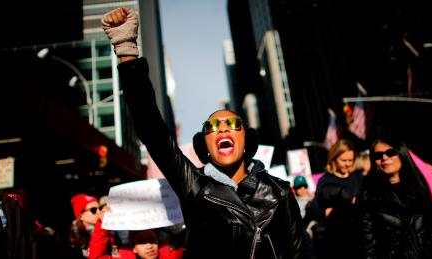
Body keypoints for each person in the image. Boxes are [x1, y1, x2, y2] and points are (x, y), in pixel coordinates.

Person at [101, 7, 304, 259]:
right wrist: (126, 48)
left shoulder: (279, 191)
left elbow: (298, 253)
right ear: (206, 145)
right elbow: (151, 128)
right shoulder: (194, 185)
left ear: (245, 141)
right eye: (212, 128)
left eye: (232, 125)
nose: (223, 130)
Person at [356, 139, 432, 259]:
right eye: (378, 155)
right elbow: (368, 244)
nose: (384, 157)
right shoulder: (368, 195)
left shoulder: (419, 187)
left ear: (402, 154)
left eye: (391, 152)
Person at [305, 139, 363, 259]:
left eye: (350, 160)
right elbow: (315, 208)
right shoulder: (326, 180)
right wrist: (327, 212)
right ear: (334, 158)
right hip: (336, 238)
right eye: (343, 160)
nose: (347, 164)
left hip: (360, 235)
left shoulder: (358, 177)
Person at [88, 208, 159, 259]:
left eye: (152, 240)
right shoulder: (120, 255)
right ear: (134, 248)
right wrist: (102, 224)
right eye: (141, 242)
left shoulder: (167, 253)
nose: (149, 246)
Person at [69, 194, 100, 258]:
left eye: (99, 208)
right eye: (93, 210)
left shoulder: (103, 229)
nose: (99, 212)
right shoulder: (73, 239)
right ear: (81, 216)